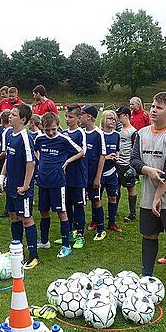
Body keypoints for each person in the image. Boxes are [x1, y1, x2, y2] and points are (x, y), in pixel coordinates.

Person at [129, 92, 166, 298]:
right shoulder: (141, 134)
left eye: (159, 107)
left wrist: (158, 197)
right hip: (148, 197)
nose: (153, 110)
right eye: (153, 106)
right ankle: (146, 275)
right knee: (149, 235)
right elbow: (134, 161)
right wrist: (147, 170)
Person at [34, 112, 84, 258]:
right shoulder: (39, 138)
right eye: (47, 130)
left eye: (53, 129)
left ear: (58, 126)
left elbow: (81, 152)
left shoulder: (63, 139)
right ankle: (44, 241)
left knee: (62, 212)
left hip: (57, 182)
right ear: (42, 127)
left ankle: (65, 245)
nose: (50, 133)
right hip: (43, 181)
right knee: (43, 211)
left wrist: (67, 161)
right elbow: (35, 149)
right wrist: (40, 161)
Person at [0, 103, 39, 268]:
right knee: (14, 217)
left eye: (14, 114)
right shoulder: (9, 134)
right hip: (11, 186)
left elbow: (31, 163)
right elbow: (8, 157)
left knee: (27, 219)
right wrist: (2, 177)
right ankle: (16, 249)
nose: (10, 116)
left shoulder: (26, 137)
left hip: (22, 189)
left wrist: (26, 186)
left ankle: (34, 255)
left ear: (23, 119)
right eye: (11, 114)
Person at [79, 104, 108, 242]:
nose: (80, 116)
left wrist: (98, 177)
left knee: (96, 201)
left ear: (89, 117)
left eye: (82, 114)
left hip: (93, 175)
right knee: (80, 202)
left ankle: (101, 229)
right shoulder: (81, 132)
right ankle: (78, 229)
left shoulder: (98, 134)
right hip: (81, 175)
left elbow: (102, 156)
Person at [62, 104, 88, 248]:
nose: (67, 119)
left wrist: (68, 161)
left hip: (78, 176)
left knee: (78, 206)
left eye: (70, 117)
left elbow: (83, 152)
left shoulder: (80, 133)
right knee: (66, 205)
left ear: (78, 118)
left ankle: (80, 235)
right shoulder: (64, 133)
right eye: (66, 116)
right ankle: (71, 231)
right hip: (65, 177)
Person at [100, 110, 122, 233]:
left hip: (112, 172)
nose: (113, 121)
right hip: (99, 172)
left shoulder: (117, 135)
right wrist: (106, 157)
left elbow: (117, 149)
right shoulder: (99, 134)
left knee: (113, 197)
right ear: (103, 120)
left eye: (114, 119)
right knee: (96, 198)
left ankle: (112, 222)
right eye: (109, 118)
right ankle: (95, 221)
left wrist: (117, 156)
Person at [116, 107, 138, 223]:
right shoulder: (118, 130)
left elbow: (135, 149)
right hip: (116, 163)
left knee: (131, 188)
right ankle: (114, 211)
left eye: (120, 116)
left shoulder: (133, 132)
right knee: (115, 188)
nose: (118, 118)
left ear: (127, 116)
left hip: (127, 165)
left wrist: (132, 165)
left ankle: (132, 213)